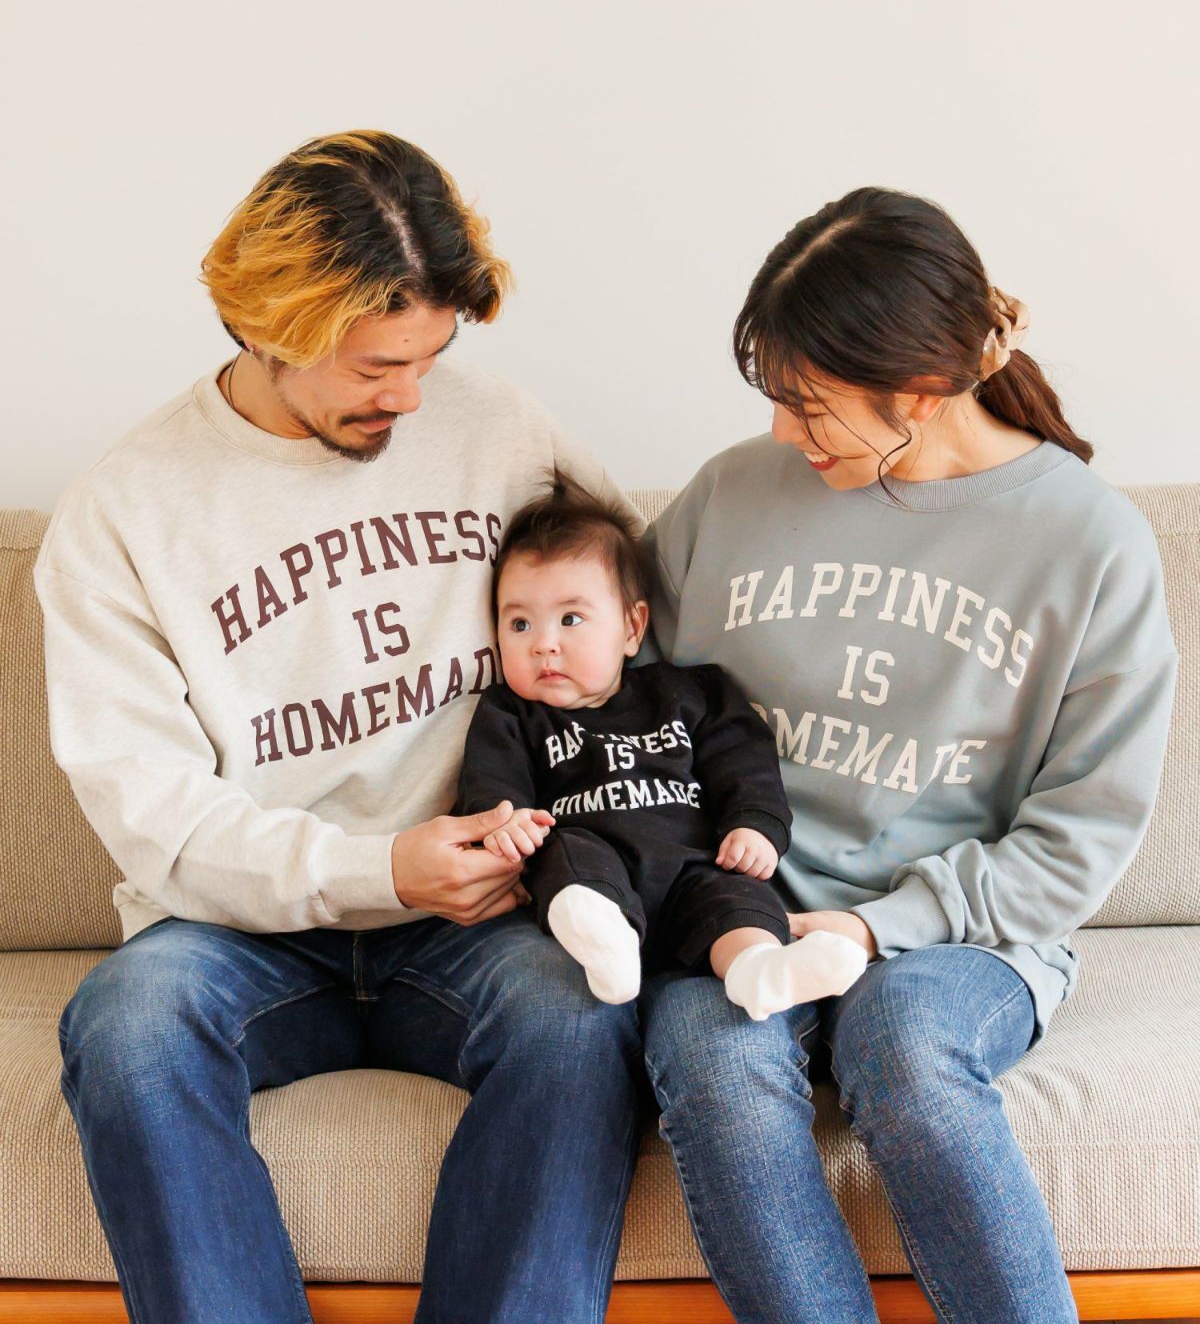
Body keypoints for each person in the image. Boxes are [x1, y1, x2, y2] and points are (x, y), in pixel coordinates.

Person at [36, 130, 644, 1324]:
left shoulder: (499, 429)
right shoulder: (126, 514)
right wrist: (380, 869)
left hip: (480, 918)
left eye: (431, 357)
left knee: (584, 1019)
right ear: (272, 324)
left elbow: (639, 616)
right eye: (376, 366)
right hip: (240, 933)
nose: (409, 397)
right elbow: (157, 819)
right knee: (127, 1029)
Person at [639, 187, 1179, 1324]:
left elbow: (1079, 841)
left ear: (923, 390)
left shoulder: (1091, 543)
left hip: (961, 936)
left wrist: (877, 928)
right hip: (740, 912)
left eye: (809, 404)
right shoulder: (728, 496)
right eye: (775, 397)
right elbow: (630, 713)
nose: (783, 433)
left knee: (910, 1056)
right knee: (718, 1073)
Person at [455, 471, 869, 1016]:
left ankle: (759, 969)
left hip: (692, 864)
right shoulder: (511, 713)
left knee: (738, 896)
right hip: (591, 864)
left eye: (571, 619)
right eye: (519, 625)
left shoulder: (686, 694)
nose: (544, 644)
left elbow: (743, 760)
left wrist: (754, 824)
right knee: (566, 857)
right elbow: (490, 781)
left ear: (632, 628)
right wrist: (504, 823)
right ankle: (605, 944)